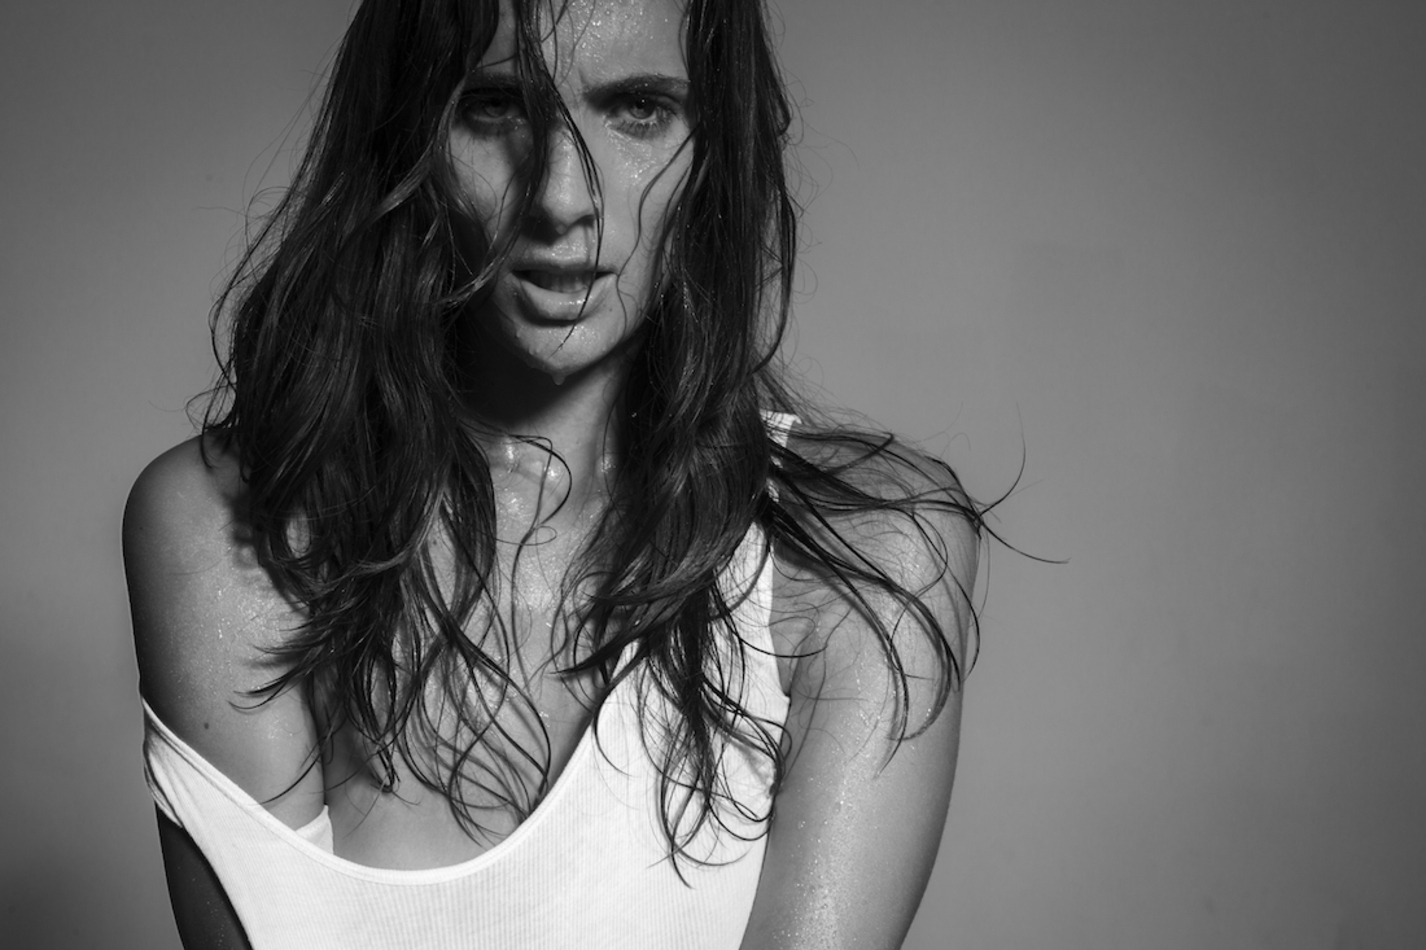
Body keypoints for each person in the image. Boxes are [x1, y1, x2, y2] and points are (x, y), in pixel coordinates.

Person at [123, 0, 983, 947]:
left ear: (717, 145)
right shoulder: (231, 529)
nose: (563, 196)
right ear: (407, 130)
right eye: (495, 105)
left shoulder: (868, 555)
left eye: (640, 109)